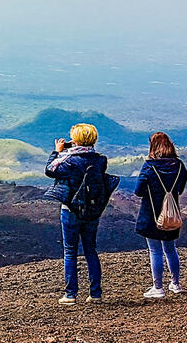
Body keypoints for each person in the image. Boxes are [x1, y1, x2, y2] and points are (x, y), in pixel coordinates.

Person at [42, 123, 111, 305]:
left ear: (77, 139)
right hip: (91, 210)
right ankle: (95, 293)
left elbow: (50, 170)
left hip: (71, 210)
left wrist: (57, 152)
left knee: (70, 251)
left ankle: (70, 294)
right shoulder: (99, 160)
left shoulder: (70, 161)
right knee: (91, 250)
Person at [134, 131, 187, 299]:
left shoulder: (149, 166)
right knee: (171, 249)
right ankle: (176, 284)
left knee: (155, 251)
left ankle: (158, 287)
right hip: (171, 213)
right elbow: (180, 188)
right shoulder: (179, 166)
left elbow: (138, 191)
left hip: (151, 214)